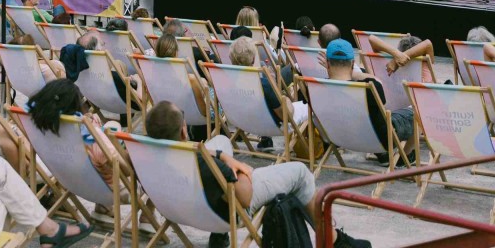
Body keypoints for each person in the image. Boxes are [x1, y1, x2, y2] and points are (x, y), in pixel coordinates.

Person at [145, 101, 370, 248]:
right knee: (300, 173)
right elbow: (244, 197)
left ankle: (219, 237)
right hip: (226, 210)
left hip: (178, 206)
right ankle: (334, 240)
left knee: (222, 140)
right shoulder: (204, 163)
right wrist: (241, 169)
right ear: (184, 130)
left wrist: (222, 155)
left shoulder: (144, 156)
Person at [28, 79, 131, 226]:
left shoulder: (43, 128)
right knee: (114, 131)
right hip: (108, 189)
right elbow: (124, 170)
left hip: (67, 178)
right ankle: (147, 216)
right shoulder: (90, 136)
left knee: (110, 131)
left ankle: (103, 208)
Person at [324, 39, 415, 166]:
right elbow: (377, 84)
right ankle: (405, 156)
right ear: (353, 63)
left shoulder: (314, 88)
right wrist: (356, 73)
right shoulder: (370, 87)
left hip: (339, 138)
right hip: (380, 141)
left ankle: (384, 155)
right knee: (419, 111)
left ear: (327, 63)